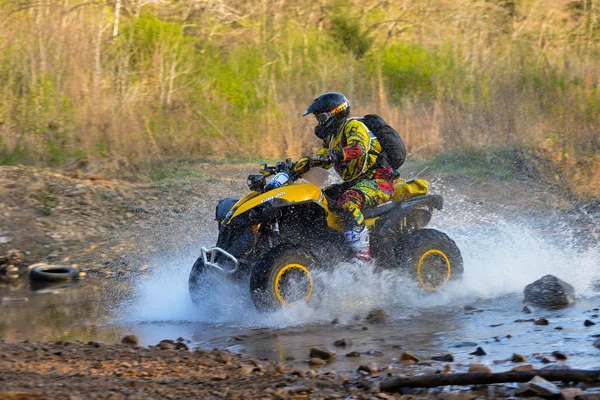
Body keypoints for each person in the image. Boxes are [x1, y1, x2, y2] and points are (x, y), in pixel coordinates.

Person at [293, 92, 398, 265]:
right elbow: (321, 160)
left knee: (348, 202)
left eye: (321, 118)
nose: (319, 123)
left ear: (334, 113)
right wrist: (299, 167)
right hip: (356, 183)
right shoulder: (332, 137)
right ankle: (325, 247)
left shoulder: (353, 126)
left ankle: (362, 257)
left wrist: (335, 156)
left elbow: (358, 149)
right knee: (318, 200)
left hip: (379, 181)